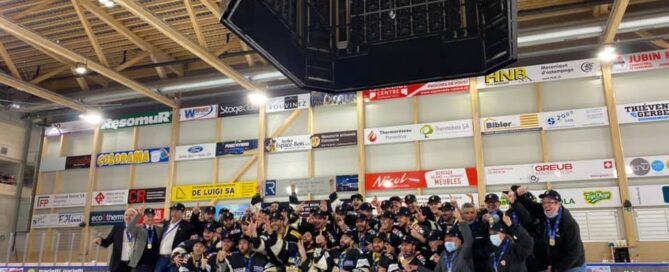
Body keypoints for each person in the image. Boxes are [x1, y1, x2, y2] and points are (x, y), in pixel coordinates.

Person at [514, 188, 586, 272]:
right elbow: (531, 205)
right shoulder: (545, 213)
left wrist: (556, 269)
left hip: (573, 266)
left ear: (558, 204)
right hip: (554, 264)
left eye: (550, 202)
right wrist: (519, 196)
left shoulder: (569, 223)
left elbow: (574, 252)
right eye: (544, 202)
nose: (546, 205)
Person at [93, 207, 137, 272]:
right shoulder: (117, 228)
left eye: (131, 215)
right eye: (126, 215)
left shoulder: (140, 230)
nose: (128, 217)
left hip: (132, 266)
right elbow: (107, 242)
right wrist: (101, 241)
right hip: (118, 265)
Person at [156, 202, 196, 272]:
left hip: (177, 259)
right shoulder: (166, 224)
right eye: (173, 211)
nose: (174, 213)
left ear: (182, 213)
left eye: (177, 211)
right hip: (162, 258)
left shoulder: (188, 226)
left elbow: (190, 243)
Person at [127, 206, 163, 272]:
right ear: (144, 217)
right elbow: (129, 228)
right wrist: (139, 214)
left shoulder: (159, 229)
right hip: (138, 266)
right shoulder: (138, 228)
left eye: (152, 216)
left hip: (153, 267)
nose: (150, 218)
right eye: (148, 216)